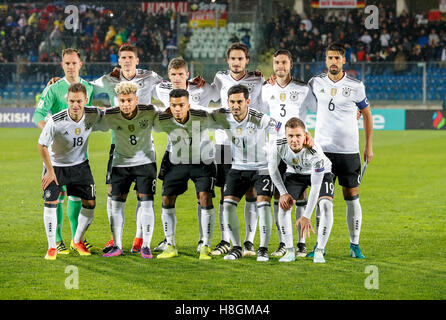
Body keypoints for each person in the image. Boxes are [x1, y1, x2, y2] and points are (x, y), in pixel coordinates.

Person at [91, 44, 163, 254]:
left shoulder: (150, 77)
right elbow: (87, 87)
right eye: (123, 57)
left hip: (143, 144)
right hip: (118, 145)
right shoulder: (109, 79)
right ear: (119, 61)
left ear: (137, 60)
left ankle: (141, 238)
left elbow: (171, 85)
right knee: (113, 193)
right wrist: (64, 81)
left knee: (144, 196)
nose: (127, 60)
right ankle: (116, 239)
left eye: (131, 57)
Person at [308, 42, 373, 259]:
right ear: (325, 60)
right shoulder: (316, 82)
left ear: (344, 60)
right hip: (323, 152)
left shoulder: (356, 85)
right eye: (330, 58)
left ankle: (354, 245)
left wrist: (368, 146)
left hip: (349, 152)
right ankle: (319, 246)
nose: (333, 62)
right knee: (322, 198)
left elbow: (367, 114)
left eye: (337, 58)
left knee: (351, 197)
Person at [152, 57, 219, 254]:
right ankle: (169, 241)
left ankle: (204, 242)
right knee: (167, 197)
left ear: (187, 75)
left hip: (201, 154)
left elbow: (221, 92)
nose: (177, 78)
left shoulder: (201, 89)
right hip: (176, 153)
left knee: (204, 196)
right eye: (173, 74)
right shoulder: (161, 90)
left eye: (181, 74)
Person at [33, 48, 96, 255]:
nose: (70, 66)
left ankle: (76, 239)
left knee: (78, 198)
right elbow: (38, 115)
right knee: (56, 198)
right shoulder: (53, 88)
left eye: (74, 63)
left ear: (80, 64)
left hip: (79, 156)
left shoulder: (88, 87)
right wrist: (53, 134)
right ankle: (57, 239)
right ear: (62, 65)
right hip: (56, 157)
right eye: (66, 63)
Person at [210, 42, 266, 257]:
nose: (236, 62)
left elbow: (268, 103)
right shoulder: (219, 78)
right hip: (224, 143)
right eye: (233, 58)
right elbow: (208, 96)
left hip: (250, 143)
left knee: (252, 192)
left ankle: (249, 242)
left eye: (240, 59)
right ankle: (226, 240)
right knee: (226, 194)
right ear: (228, 60)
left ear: (247, 61)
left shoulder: (258, 79)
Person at [262, 49, 317, 258]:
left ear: (291, 64)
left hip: (297, 148)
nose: (280, 66)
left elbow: (318, 109)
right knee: (280, 196)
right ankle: (284, 243)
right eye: (277, 63)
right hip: (275, 148)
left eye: (284, 62)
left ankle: (301, 243)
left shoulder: (303, 88)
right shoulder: (266, 88)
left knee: (300, 194)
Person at [38, 83, 102, 260]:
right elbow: (41, 145)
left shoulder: (92, 114)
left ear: (86, 100)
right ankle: (52, 247)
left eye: (79, 101)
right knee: (50, 203)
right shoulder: (56, 121)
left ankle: (77, 240)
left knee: (90, 204)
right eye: (72, 101)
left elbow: (109, 113)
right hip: (56, 167)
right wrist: (49, 171)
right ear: (67, 100)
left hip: (80, 166)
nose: (75, 105)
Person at [220, 85, 277, 262]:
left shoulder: (258, 118)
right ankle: (236, 247)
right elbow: (204, 114)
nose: (235, 105)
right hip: (238, 167)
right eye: (232, 102)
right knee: (228, 205)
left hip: (262, 167)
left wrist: (273, 150)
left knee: (263, 204)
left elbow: (277, 127)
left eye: (239, 102)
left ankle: (263, 248)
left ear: (247, 102)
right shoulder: (224, 118)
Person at [268, 117, 334, 263]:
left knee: (326, 205)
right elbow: (273, 171)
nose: (294, 140)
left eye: (298, 135)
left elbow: (315, 187)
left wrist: (307, 216)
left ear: (305, 135)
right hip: (295, 173)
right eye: (290, 136)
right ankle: (290, 250)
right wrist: (283, 193)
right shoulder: (277, 145)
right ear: (285, 136)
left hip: (322, 173)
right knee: (283, 206)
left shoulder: (315, 152)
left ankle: (319, 250)